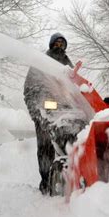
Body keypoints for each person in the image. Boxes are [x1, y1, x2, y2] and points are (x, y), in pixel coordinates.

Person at [23, 33, 86, 195]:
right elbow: (29, 90)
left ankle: (77, 169)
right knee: (45, 146)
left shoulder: (67, 64)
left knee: (77, 138)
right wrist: (36, 112)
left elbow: (75, 87)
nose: (59, 46)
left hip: (67, 110)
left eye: (62, 43)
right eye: (56, 43)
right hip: (45, 111)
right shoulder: (41, 63)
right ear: (51, 44)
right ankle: (45, 181)